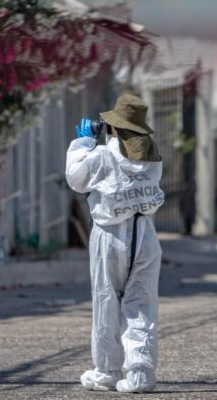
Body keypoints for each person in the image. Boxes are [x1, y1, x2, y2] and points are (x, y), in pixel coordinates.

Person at [65, 94, 165, 393]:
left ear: (116, 129)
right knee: (141, 304)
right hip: (144, 233)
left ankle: (107, 371)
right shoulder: (153, 158)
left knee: (107, 302)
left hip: (109, 234)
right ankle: (140, 374)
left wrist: (83, 143)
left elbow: (75, 178)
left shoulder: (101, 156)